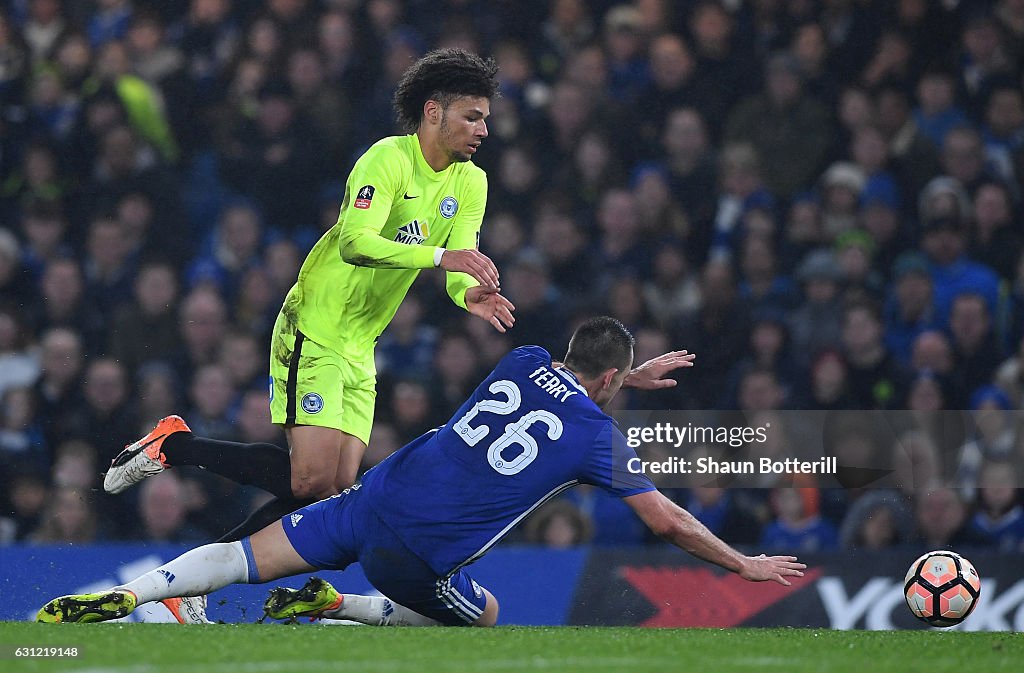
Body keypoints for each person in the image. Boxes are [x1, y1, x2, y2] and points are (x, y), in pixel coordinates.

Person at [38, 317, 805, 626]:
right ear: (611, 382)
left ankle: (129, 591)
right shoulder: (596, 440)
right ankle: (340, 604)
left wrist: (621, 374)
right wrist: (742, 561)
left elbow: (575, 369)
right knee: (489, 613)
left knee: (242, 558)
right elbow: (665, 520)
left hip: (374, 493)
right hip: (415, 551)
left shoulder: (525, 357)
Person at [102, 48, 514, 545]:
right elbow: (355, 242)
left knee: (333, 491)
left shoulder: (472, 182)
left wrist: (469, 294)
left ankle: (204, 574)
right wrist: (439, 258)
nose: (483, 130)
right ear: (433, 111)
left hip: (362, 343)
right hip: (314, 324)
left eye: (485, 119)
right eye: (472, 117)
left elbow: (460, 260)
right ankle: (175, 446)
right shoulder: (386, 160)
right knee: (310, 481)